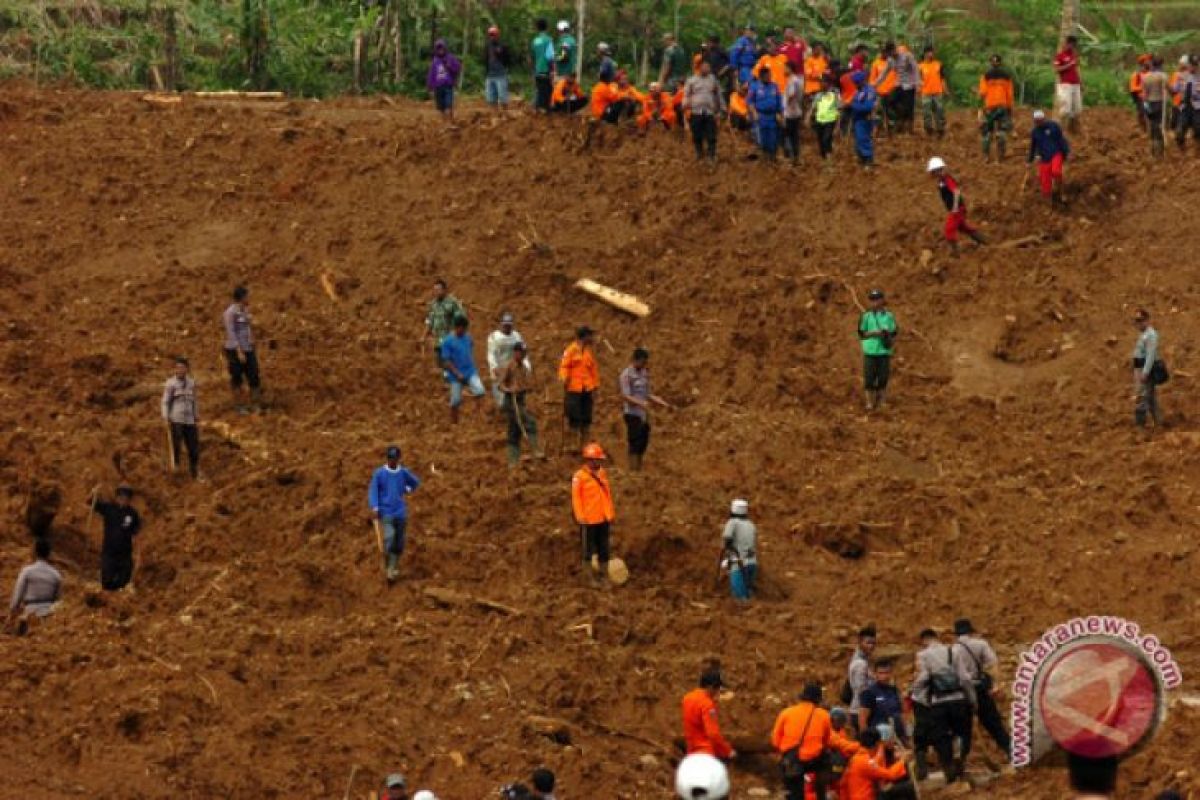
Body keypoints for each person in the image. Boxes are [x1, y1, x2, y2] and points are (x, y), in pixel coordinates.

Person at [913, 628, 976, 784]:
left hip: (938, 703)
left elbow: (924, 678)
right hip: (958, 700)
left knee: (942, 737)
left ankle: (949, 770)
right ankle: (960, 761)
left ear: (924, 640)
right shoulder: (953, 652)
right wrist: (972, 699)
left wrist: (915, 692)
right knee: (962, 733)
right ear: (937, 638)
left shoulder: (923, 655)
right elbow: (965, 678)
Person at [952, 618, 1011, 756]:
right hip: (981, 690)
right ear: (970, 631)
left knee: (964, 730)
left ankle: (961, 763)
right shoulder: (980, 644)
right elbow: (993, 664)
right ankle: (1013, 753)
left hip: (963, 693)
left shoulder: (953, 650)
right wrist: (997, 685)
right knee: (995, 726)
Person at [368, 446, 421, 582]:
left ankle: (392, 568)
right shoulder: (379, 474)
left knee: (399, 543)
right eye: (390, 458)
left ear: (398, 459)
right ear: (387, 458)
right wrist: (375, 507)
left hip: (400, 512)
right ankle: (388, 566)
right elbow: (373, 490)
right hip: (386, 512)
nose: (392, 461)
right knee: (390, 537)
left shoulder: (403, 473)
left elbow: (415, 482)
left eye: (395, 458)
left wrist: (407, 489)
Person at [772, 682, 833, 800]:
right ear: (818, 699)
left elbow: (775, 741)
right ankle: (822, 793)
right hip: (814, 759)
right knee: (826, 761)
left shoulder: (786, 713)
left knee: (794, 792)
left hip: (792, 760)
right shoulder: (824, 715)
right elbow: (826, 741)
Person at [619, 347, 671, 470]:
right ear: (636, 360)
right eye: (642, 361)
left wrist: (662, 402)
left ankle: (639, 469)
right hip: (632, 414)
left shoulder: (644, 373)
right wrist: (641, 403)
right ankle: (633, 470)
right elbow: (625, 396)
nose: (644, 364)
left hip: (643, 414)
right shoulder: (626, 375)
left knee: (643, 443)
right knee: (634, 443)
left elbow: (648, 394)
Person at [571, 442, 614, 582]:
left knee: (604, 548)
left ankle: (604, 575)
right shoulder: (579, 477)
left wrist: (610, 513)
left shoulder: (602, 473)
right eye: (597, 459)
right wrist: (580, 516)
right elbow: (576, 498)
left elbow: (607, 494)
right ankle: (588, 577)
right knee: (587, 550)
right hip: (588, 519)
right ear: (589, 460)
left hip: (603, 517)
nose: (599, 462)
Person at [927, 156, 986, 256]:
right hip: (957, 209)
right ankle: (984, 241)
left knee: (949, 229)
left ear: (939, 170)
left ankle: (955, 254)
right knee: (964, 228)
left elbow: (956, 192)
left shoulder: (947, 180)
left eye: (935, 171)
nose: (934, 174)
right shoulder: (941, 182)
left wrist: (954, 208)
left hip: (957, 209)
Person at [90, 484, 142, 592]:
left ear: (129, 499)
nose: (123, 499)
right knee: (107, 580)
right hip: (109, 551)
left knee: (124, 581)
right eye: (121, 496)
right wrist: (93, 493)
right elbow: (91, 502)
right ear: (117, 497)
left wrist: (138, 553)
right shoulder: (109, 508)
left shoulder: (133, 514)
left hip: (125, 553)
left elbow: (137, 533)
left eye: (126, 497)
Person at [499, 341, 542, 466]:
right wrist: (509, 389)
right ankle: (536, 450)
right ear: (515, 352)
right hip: (511, 402)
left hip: (520, 401)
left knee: (514, 431)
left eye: (524, 353)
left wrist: (527, 388)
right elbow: (500, 385)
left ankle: (513, 462)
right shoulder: (509, 366)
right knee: (530, 422)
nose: (523, 355)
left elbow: (525, 384)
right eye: (521, 352)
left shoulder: (524, 368)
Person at [558, 326, 600, 453]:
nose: (591, 338)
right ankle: (573, 446)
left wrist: (595, 387)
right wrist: (564, 378)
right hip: (573, 390)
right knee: (574, 419)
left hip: (586, 390)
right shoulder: (571, 350)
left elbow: (593, 371)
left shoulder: (588, 352)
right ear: (584, 336)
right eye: (589, 335)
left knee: (586, 419)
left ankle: (584, 446)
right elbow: (564, 366)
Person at [7, 538, 61, 633]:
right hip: (49, 616)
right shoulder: (56, 575)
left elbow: (17, 597)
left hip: (30, 613)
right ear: (49, 554)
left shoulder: (27, 571)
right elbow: (58, 600)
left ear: (35, 553)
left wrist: (11, 614)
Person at [841, 727, 910, 800]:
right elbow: (890, 774)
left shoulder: (856, 758)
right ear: (878, 743)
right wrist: (903, 761)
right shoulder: (866, 761)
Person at [222, 285, 261, 414]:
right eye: (247, 296)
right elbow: (231, 332)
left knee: (254, 374)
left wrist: (252, 339)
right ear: (242, 297)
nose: (249, 298)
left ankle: (255, 404)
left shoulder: (244, 311)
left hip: (248, 347)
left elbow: (247, 327)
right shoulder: (230, 313)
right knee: (237, 377)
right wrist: (239, 351)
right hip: (235, 350)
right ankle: (239, 405)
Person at [682, 668, 736, 760]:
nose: (718, 691)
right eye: (717, 688)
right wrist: (728, 751)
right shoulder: (707, 704)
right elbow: (713, 734)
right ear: (711, 687)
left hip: (691, 753)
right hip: (706, 754)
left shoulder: (687, 698)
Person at [858, 289, 898, 411]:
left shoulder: (889, 316)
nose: (875, 302)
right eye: (872, 300)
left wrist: (887, 335)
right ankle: (869, 403)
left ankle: (882, 402)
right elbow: (861, 333)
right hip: (870, 352)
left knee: (883, 378)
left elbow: (894, 332)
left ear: (882, 300)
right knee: (869, 378)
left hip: (883, 352)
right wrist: (873, 333)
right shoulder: (866, 316)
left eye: (877, 299)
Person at [441, 315, 486, 423]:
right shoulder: (447, 341)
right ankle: (454, 422)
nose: (464, 331)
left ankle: (478, 417)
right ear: (457, 327)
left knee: (480, 391)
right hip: (455, 375)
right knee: (456, 401)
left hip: (470, 371)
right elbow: (447, 362)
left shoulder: (467, 337)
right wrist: (457, 373)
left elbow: (470, 348)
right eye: (463, 328)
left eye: (465, 329)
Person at [162, 356, 200, 479]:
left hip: (189, 420)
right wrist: (165, 416)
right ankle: (176, 467)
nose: (180, 370)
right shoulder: (170, 383)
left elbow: (194, 400)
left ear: (187, 369)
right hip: (176, 419)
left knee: (193, 447)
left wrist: (196, 414)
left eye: (182, 367)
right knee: (176, 444)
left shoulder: (191, 382)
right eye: (177, 368)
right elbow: (165, 402)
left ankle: (194, 470)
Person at [858, 658, 910, 746]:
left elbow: (901, 714)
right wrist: (867, 741)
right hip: (879, 739)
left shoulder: (894, 690)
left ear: (891, 673)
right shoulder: (869, 692)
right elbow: (862, 720)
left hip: (896, 739)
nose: (884, 676)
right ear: (875, 674)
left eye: (887, 673)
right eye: (881, 673)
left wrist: (905, 736)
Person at [684, 59, 725, 162]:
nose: (707, 68)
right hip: (696, 111)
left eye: (708, 67)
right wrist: (685, 105)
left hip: (710, 111)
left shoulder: (713, 80)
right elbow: (687, 95)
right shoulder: (692, 80)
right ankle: (699, 153)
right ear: (700, 67)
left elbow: (718, 94)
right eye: (704, 66)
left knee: (711, 134)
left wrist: (723, 108)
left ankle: (711, 154)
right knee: (697, 134)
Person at [1027, 109, 1071, 202]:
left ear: (1044, 119)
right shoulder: (1034, 132)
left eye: (1040, 120)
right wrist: (1029, 160)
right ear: (1034, 121)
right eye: (1036, 121)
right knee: (1045, 184)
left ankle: (1060, 191)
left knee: (1056, 172)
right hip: (1044, 157)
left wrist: (1066, 152)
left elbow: (1061, 139)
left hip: (1056, 153)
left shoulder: (1053, 126)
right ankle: (1048, 202)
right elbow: (1033, 147)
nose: (1039, 123)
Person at [1132, 308, 1165, 429]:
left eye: (1141, 320)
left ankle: (1140, 425)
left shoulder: (1151, 335)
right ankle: (1159, 422)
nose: (1138, 323)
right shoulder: (1144, 334)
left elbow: (1150, 355)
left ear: (1147, 320)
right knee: (1151, 397)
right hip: (1140, 368)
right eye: (1137, 321)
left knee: (1142, 396)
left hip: (1145, 369)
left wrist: (1145, 372)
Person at [979, 54, 1015, 161]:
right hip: (1002, 106)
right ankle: (1001, 155)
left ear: (991, 63)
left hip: (989, 107)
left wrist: (980, 106)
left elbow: (982, 93)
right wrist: (1010, 108)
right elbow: (1010, 94)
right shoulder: (1007, 76)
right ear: (1000, 63)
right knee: (1002, 132)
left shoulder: (985, 76)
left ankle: (986, 156)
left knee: (987, 133)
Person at [423, 279, 466, 367]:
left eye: (438, 290)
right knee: (440, 366)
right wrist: (424, 336)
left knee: (451, 366)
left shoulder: (452, 302)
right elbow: (429, 321)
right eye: (435, 290)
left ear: (444, 290)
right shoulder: (433, 304)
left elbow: (461, 319)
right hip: (438, 342)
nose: (436, 292)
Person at [487, 312, 525, 409]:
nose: (507, 327)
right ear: (501, 324)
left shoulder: (516, 336)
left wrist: (525, 366)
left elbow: (523, 352)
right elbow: (491, 353)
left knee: (513, 393)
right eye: (505, 325)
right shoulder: (494, 337)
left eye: (509, 325)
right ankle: (502, 412)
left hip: (512, 368)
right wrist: (494, 367)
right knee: (500, 395)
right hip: (499, 369)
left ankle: (513, 411)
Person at [722, 499, 757, 601]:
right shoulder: (751, 524)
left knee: (740, 599)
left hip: (738, 564)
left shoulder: (732, 523)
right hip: (752, 563)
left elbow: (727, 538)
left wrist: (728, 557)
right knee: (748, 592)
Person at [748, 65, 784, 161]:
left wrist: (780, 114)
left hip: (772, 116)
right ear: (761, 76)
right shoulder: (754, 86)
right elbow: (750, 102)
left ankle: (773, 157)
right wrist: (754, 113)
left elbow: (779, 101)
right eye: (767, 76)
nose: (769, 77)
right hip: (760, 116)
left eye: (770, 75)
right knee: (762, 139)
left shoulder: (774, 86)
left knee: (773, 138)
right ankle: (765, 156)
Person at [845, 626, 877, 720]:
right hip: (861, 711)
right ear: (860, 642)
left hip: (861, 709)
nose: (871, 646)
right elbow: (861, 689)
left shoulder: (864, 660)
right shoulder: (860, 663)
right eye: (868, 642)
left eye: (873, 643)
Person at [1053, 35, 1083, 133]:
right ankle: (1059, 129)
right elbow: (1056, 70)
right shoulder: (1060, 56)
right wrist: (1069, 64)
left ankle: (1073, 130)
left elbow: (1077, 69)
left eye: (1073, 45)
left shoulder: (1074, 56)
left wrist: (1081, 82)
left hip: (1076, 84)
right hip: (1065, 84)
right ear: (1066, 44)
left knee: (1077, 109)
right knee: (1065, 109)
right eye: (1070, 44)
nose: (1071, 47)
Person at [1141, 56, 1169, 158]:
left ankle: (1153, 150)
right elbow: (1168, 89)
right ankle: (1159, 152)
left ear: (1152, 65)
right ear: (1161, 64)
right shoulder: (1163, 76)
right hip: (1160, 103)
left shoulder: (1145, 77)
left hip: (1149, 104)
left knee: (1153, 127)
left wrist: (1145, 106)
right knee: (1160, 127)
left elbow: (1144, 95)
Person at [427, 39, 461, 120]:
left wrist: (450, 67)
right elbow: (431, 74)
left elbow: (458, 68)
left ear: (445, 48)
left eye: (442, 48)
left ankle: (450, 121)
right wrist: (430, 87)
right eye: (438, 48)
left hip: (448, 85)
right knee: (441, 107)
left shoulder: (450, 58)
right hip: (438, 87)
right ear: (436, 50)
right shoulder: (435, 61)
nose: (440, 50)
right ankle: (444, 122)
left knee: (448, 105)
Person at [849, 72, 878, 166]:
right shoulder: (858, 91)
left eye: (857, 83)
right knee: (858, 140)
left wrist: (853, 105)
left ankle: (868, 160)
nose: (855, 85)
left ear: (862, 81)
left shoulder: (869, 91)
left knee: (863, 139)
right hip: (857, 119)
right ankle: (862, 159)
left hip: (865, 119)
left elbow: (868, 106)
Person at [918, 46, 947, 137]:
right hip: (926, 92)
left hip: (937, 92)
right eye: (930, 52)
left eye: (932, 52)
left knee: (939, 111)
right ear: (925, 54)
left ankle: (940, 129)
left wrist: (945, 89)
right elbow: (918, 79)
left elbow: (942, 78)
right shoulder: (920, 66)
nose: (931, 54)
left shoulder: (939, 64)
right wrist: (918, 90)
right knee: (927, 112)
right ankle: (928, 129)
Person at [812, 73, 841, 162]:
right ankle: (824, 156)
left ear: (828, 83)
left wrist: (838, 125)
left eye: (823, 82)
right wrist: (808, 116)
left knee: (826, 138)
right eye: (820, 82)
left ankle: (829, 155)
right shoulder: (818, 95)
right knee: (820, 140)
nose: (821, 84)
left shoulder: (834, 94)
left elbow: (839, 108)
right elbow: (813, 107)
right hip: (819, 121)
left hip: (830, 121)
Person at [870, 43, 898, 134]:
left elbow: (898, 75)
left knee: (891, 112)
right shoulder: (875, 63)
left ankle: (892, 130)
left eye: (886, 52)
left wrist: (895, 86)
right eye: (882, 52)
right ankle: (880, 129)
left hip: (891, 90)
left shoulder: (892, 62)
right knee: (879, 112)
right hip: (879, 92)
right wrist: (873, 88)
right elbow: (872, 78)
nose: (884, 54)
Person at [892, 44, 920, 134]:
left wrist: (917, 83)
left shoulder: (908, 56)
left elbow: (915, 69)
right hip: (899, 84)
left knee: (909, 106)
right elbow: (890, 71)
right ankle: (900, 123)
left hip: (909, 85)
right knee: (893, 101)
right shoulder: (892, 59)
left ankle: (909, 128)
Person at [1173, 56, 1198, 151]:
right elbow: (1175, 90)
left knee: (1198, 128)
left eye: (1195, 65)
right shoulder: (1181, 76)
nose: (1193, 67)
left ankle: (1197, 150)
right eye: (1191, 65)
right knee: (1180, 129)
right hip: (1184, 106)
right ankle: (1182, 147)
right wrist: (1168, 87)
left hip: (1197, 107)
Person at [483, 26, 511, 110]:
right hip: (490, 75)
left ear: (497, 35)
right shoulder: (487, 46)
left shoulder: (503, 46)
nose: (492, 36)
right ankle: (494, 115)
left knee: (503, 97)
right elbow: (485, 59)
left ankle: (505, 114)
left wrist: (501, 54)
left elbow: (509, 59)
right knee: (491, 98)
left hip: (500, 74)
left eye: (493, 34)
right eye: (490, 34)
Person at [782, 61, 805, 164]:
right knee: (794, 135)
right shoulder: (797, 80)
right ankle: (795, 156)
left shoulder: (793, 80)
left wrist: (785, 106)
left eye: (785, 68)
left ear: (790, 69)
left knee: (788, 135)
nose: (784, 70)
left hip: (790, 112)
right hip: (796, 110)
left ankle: (792, 157)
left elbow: (791, 95)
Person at [531, 19, 555, 112]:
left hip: (537, 70)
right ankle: (545, 110)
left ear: (537, 28)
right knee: (547, 91)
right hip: (546, 70)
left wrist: (533, 69)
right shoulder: (548, 40)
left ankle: (536, 108)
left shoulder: (535, 41)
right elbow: (550, 57)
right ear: (547, 27)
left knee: (539, 90)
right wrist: (552, 70)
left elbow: (533, 56)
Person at [1130, 54, 1151, 131]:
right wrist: (1142, 88)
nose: (1149, 62)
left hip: (1151, 96)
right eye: (1147, 61)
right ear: (1143, 63)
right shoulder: (1136, 75)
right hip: (1141, 97)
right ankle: (1142, 128)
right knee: (1142, 113)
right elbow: (1133, 88)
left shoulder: (1151, 73)